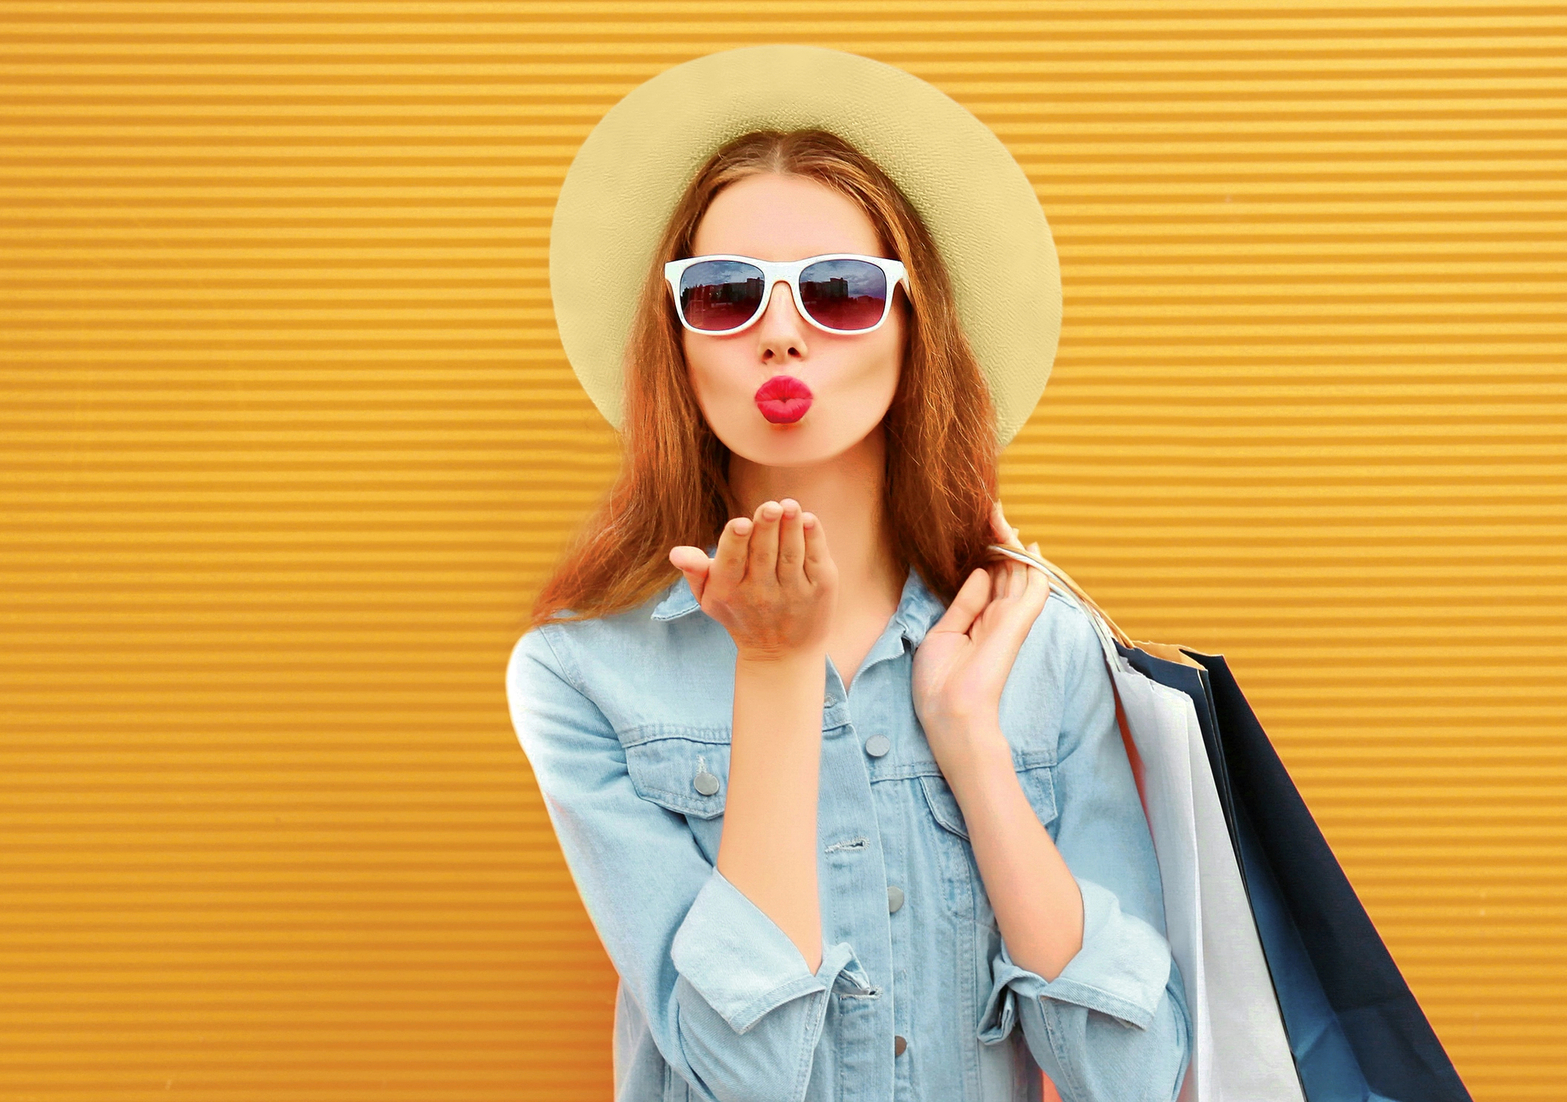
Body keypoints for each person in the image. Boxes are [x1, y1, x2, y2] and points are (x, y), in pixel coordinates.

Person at [506, 47, 1189, 1102]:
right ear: (676, 341)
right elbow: (741, 1075)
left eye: (838, 291)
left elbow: (1134, 1075)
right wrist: (775, 671)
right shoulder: (580, 675)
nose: (781, 334)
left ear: (914, 328)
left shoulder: (1040, 649)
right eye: (727, 294)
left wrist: (971, 742)